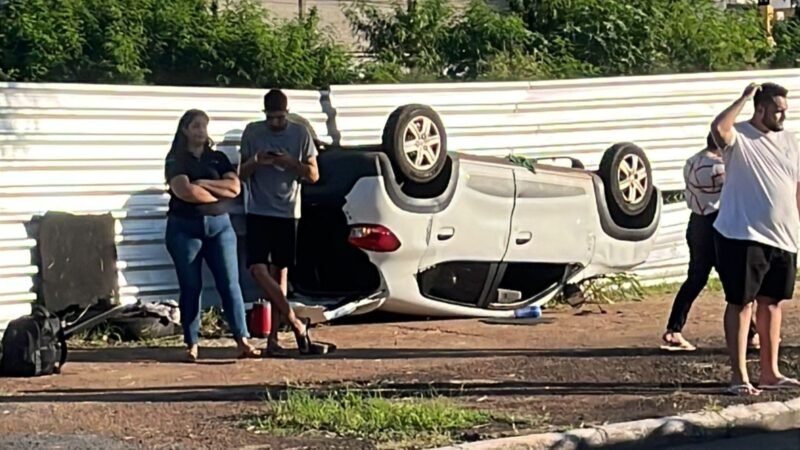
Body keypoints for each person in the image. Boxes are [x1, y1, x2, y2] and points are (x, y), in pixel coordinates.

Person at [711, 82, 800, 396]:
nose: (782, 116)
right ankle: (739, 376)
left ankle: (770, 372)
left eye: (785, 110)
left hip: (784, 237)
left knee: (772, 304)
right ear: (760, 109)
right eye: (777, 110)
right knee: (741, 303)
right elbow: (718, 128)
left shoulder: (790, 141)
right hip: (742, 234)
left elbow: (796, 187)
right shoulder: (739, 138)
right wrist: (743, 98)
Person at [164, 109, 260, 362]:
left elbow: (235, 187)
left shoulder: (216, 158)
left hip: (220, 227)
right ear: (185, 130)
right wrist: (217, 194)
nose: (200, 131)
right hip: (185, 227)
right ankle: (192, 342)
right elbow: (185, 191)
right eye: (195, 126)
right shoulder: (176, 159)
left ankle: (242, 339)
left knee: (230, 284)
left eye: (204, 126)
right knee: (191, 285)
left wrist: (203, 184)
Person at [238, 89, 323, 356]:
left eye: (280, 118)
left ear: (287, 113)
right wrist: (256, 161)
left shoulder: (300, 134)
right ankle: (296, 322)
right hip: (258, 210)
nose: (276, 123)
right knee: (256, 268)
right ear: (264, 115)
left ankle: (274, 338)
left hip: (287, 211)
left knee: (280, 272)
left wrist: (290, 163)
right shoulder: (252, 132)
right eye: (271, 118)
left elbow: (313, 175)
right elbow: (239, 173)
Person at [662, 134, 759, 352]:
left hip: (697, 221)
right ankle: (751, 334)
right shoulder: (720, 166)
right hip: (719, 222)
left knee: (696, 277)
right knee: (735, 280)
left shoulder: (692, 161)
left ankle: (674, 328)